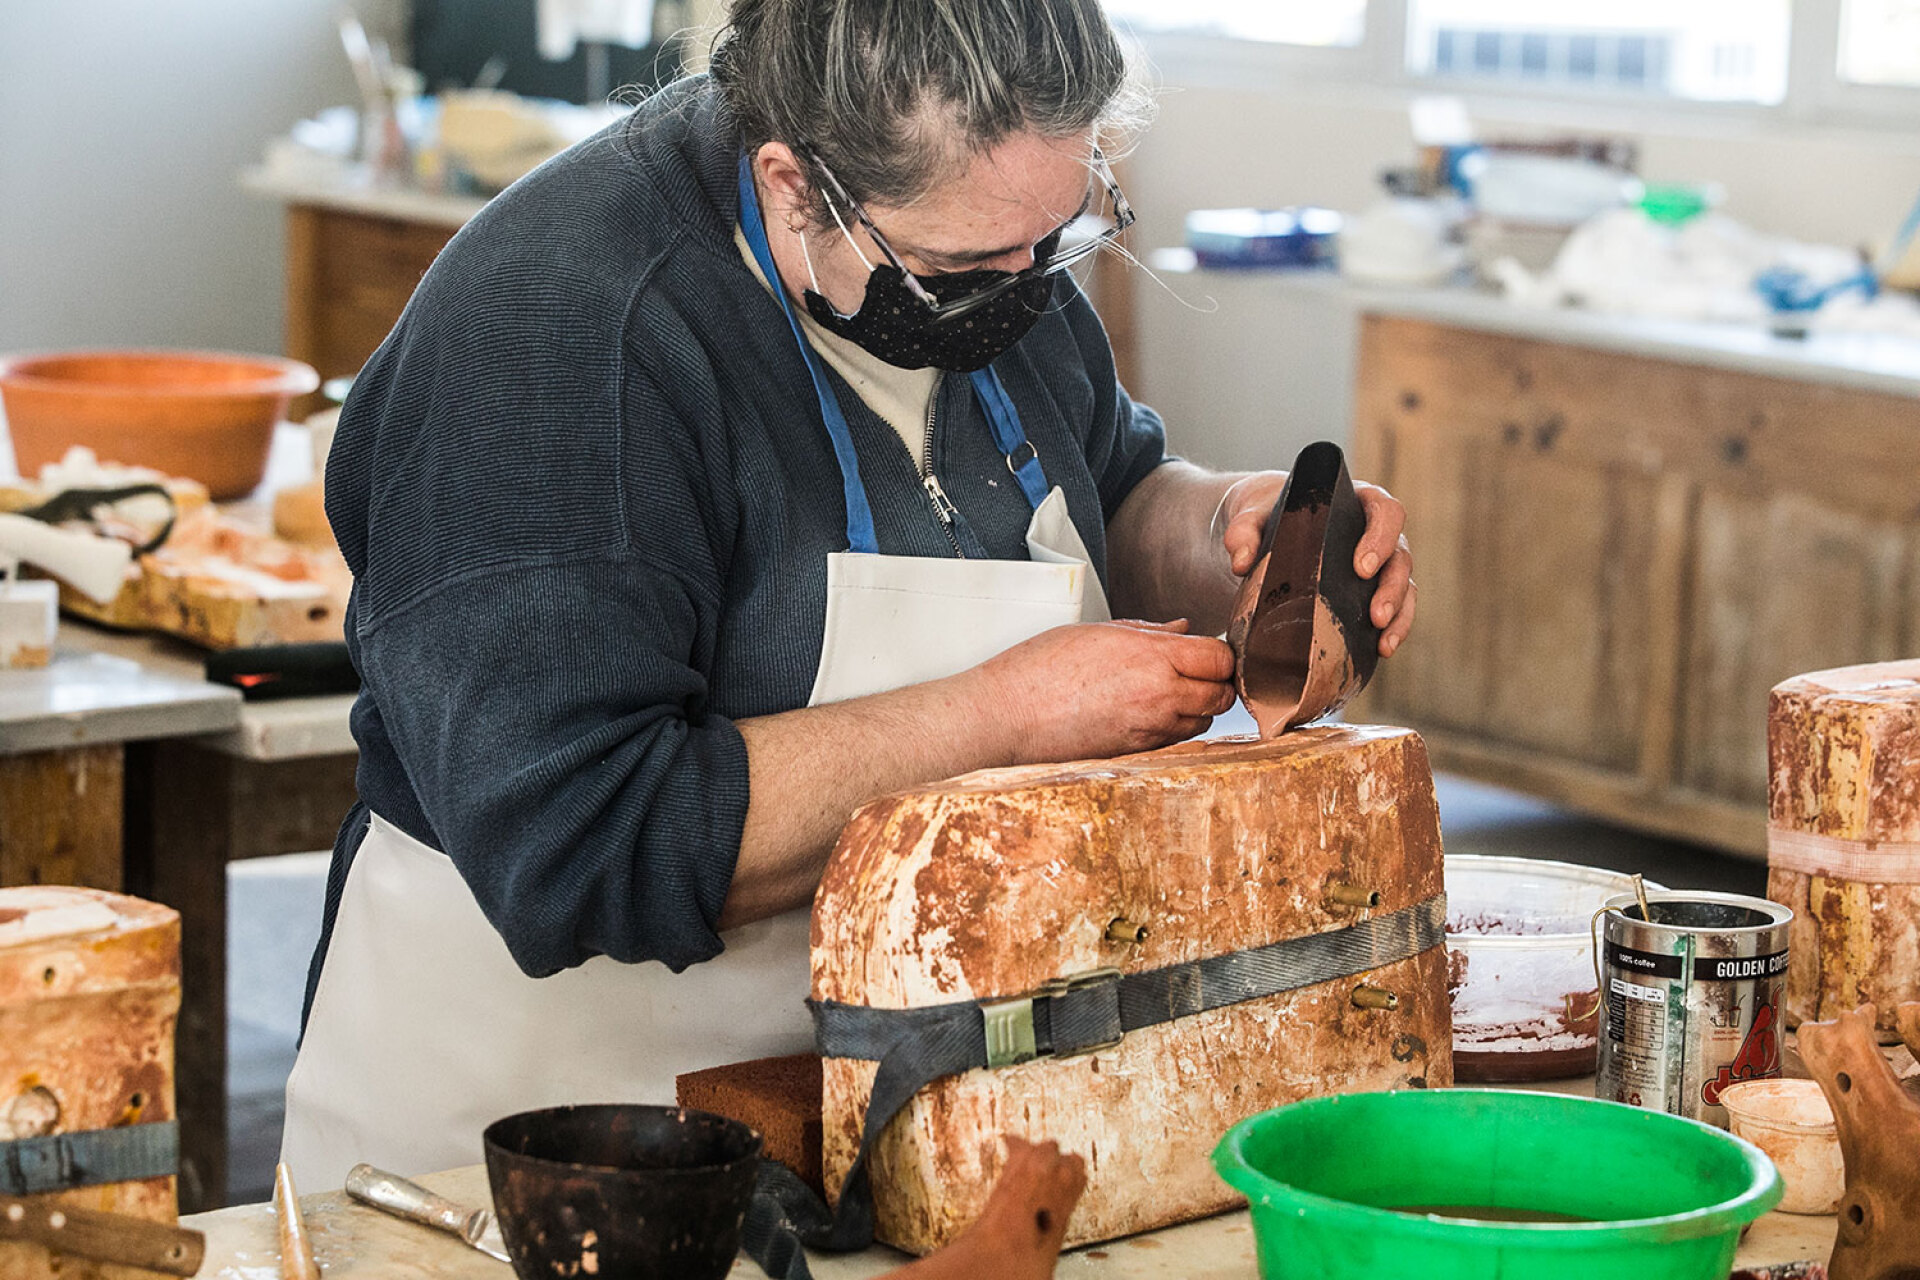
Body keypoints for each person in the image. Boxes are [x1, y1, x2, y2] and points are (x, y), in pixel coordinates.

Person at [280, 0, 1417, 1188]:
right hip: (535, 1140)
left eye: (1058, 239)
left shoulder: (986, 241)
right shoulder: (560, 330)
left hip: (856, 1099)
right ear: (790, 185)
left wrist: (1233, 527)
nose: (1020, 290)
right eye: (964, 268)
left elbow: (1108, 487)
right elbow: (588, 843)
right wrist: (1003, 719)